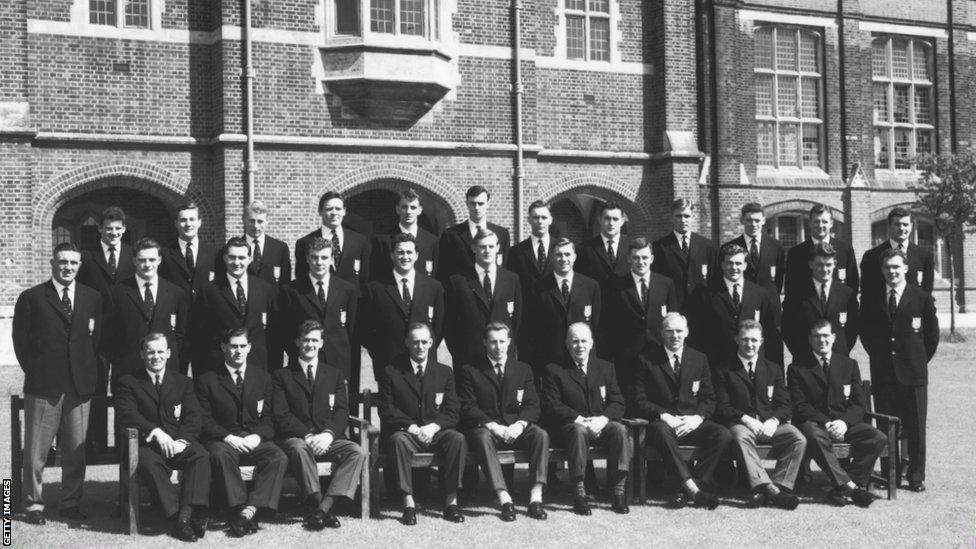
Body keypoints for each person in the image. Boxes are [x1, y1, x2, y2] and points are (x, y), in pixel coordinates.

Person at [12, 243, 102, 524]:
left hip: (79, 386)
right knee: (36, 450)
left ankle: (70, 502)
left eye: (74, 263)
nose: (68, 267)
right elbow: (21, 343)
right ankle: (33, 504)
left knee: (76, 449)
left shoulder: (92, 297)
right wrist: (39, 371)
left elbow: (94, 341)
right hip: (43, 385)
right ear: (52, 263)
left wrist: (81, 370)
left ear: (79, 266)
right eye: (63, 262)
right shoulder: (32, 297)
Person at [116, 333, 211, 541]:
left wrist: (182, 441)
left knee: (201, 456)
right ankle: (177, 517)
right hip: (147, 445)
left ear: (168, 353)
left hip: (177, 443)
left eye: (160, 351)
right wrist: (156, 432)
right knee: (149, 465)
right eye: (150, 352)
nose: (156, 356)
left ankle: (184, 517)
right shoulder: (129, 382)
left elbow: (194, 416)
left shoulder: (183, 382)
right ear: (142, 354)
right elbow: (127, 414)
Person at [272, 320, 367, 530]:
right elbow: (282, 414)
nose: (310, 345)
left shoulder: (334, 374)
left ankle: (323, 508)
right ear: (297, 342)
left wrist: (329, 434)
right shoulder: (282, 375)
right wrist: (307, 436)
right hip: (298, 439)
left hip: (327, 438)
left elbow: (342, 411)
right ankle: (320, 506)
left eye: (315, 340)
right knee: (298, 448)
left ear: (322, 343)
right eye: (306, 340)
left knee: (357, 452)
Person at [630, 313, 729, 510]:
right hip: (663, 424)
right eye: (669, 331)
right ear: (661, 333)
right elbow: (638, 400)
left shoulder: (699, 358)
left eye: (679, 331)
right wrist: (663, 415)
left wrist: (697, 418)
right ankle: (693, 490)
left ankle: (688, 488)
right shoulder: (646, 360)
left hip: (692, 422)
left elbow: (709, 398)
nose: (675, 335)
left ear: (687, 332)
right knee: (662, 431)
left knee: (723, 435)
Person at [859, 248, 939, 492]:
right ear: (882, 270)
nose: (892, 271)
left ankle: (916, 476)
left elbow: (932, 337)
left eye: (896, 267)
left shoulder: (922, 297)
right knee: (886, 426)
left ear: (906, 269)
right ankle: (890, 474)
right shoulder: (872, 299)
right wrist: (881, 358)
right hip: (884, 373)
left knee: (915, 426)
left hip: (913, 374)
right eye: (887, 267)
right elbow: (866, 333)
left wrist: (916, 361)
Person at [195, 329, 287, 537]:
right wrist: (228, 437)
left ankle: (248, 511)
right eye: (233, 346)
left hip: (254, 439)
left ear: (250, 348)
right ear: (224, 347)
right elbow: (204, 420)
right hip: (223, 439)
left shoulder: (263, 378)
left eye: (242, 346)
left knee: (278, 457)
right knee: (219, 454)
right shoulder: (207, 380)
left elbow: (270, 419)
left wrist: (258, 436)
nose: (238, 351)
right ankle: (237, 508)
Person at [457, 322, 550, 521]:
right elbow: (468, 407)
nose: (498, 347)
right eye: (493, 342)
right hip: (488, 429)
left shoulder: (523, 369)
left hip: (517, 428)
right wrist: (493, 426)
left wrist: (520, 424)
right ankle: (504, 498)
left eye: (502, 341)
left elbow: (533, 404)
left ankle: (536, 497)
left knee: (540, 435)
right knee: (482, 438)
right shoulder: (470, 370)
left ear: (509, 342)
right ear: (485, 343)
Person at [788, 321, 886, 507]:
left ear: (833, 338)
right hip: (814, 423)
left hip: (844, 423)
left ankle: (841, 487)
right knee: (815, 436)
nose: (821, 340)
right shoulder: (797, 368)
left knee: (878, 438)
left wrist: (844, 423)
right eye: (816, 336)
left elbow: (859, 403)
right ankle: (851, 487)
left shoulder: (849, 364)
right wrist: (826, 422)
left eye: (825, 335)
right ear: (810, 340)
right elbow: (800, 406)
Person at [379, 322, 467, 525]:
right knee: (398, 441)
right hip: (408, 433)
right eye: (415, 342)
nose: (420, 346)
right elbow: (387, 410)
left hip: (435, 432)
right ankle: (408, 503)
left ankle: (451, 502)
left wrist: (434, 426)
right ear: (407, 343)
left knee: (458, 439)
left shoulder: (444, 372)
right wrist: (413, 428)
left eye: (424, 342)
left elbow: (453, 410)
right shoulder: (392, 371)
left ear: (431, 343)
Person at [542, 322, 632, 516]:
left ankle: (618, 493)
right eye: (575, 341)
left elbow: (618, 402)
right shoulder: (554, 370)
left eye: (584, 341)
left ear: (591, 343)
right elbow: (552, 404)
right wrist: (579, 418)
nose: (579, 346)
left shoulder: (606, 368)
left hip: (600, 425)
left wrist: (604, 419)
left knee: (620, 430)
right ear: (567, 344)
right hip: (570, 428)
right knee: (578, 430)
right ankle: (579, 494)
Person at [714, 320, 803, 510]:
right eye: (745, 339)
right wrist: (746, 419)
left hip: (770, 424)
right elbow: (722, 406)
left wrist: (774, 420)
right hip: (740, 423)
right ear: (736, 339)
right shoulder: (724, 369)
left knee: (798, 439)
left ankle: (778, 486)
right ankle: (772, 491)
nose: (749, 344)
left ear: (761, 341)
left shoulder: (773, 368)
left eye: (754, 340)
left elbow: (785, 404)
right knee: (740, 437)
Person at [359, 233, 444, 384]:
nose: (405, 256)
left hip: (423, 360)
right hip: (388, 363)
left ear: (417, 255)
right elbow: (365, 328)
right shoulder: (375, 289)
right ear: (392, 255)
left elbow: (439, 325)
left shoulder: (433, 287)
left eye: (409, 252)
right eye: (400, 252)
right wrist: (380, 353)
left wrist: (422, 348)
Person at [104, 238, 190, 388]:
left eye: (152, 259)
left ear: (159, 260)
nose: (147, 264)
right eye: (142, 260)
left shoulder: (176, 293)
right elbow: (109, 334)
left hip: (166, 371)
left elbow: (181, 334)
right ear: (134, 261)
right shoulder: (117, 292)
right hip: (128, 372)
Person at [278, 237, 358, 388]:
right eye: (314, 257)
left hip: (338, 361)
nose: (319, 262)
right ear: (307, 259)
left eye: (324, 257)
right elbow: (285, 331)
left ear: (332, 259)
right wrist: (300, 353)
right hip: (303, 361)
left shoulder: (347, 290)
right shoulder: (291, 291)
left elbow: (352, 331)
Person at [686, 243, 782, 369]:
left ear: (745, 265)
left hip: (751, 364)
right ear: (722, 265)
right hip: (717, 364)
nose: (734, 267)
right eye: (729, 263)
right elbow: (697, 333)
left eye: (738, 263)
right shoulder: (706, 294)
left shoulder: (760, 294)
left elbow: (770, 333)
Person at [190, 237, 276, 372]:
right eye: (232, 257)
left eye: (241, 258)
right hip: (219, 367)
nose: (237, 262)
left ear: (250, 259)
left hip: (257, 366)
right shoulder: (209, 290)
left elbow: (272, 333)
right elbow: (199, 334)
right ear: (225, 258)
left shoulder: (265, 289)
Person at [520, 238, 601, 379]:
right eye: (559, 255)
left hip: (581, 360)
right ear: (552, 257)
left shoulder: (591, 286)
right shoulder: (538, 289)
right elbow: (531, 329)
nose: (563, 259)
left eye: (568, 254)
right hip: (550, 362)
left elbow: (596, 325)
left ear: (575, 257)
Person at [444, 228, 523, 367]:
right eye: (482, 247)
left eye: (491, 246)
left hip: (502, 357)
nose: (487, 250)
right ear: (474, 248)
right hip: (468, 360)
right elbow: (449, 324)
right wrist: (459, 354)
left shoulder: (512, 279)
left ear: (498, 248)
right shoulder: (458, 281)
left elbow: (516, 319)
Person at [601, 237, 678, 378]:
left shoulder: (666, 284)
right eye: (636, 257)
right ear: (629, 259)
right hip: (627, 356)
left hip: (658, 353)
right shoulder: (616, 286)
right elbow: (609, 324)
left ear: (652, 259)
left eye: (644, 257)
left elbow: (673, 319)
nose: (640, 262)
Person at [159, 200, 219, 374]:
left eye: (192, 219)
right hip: (176, 328)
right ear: (176, 223)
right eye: (183, 220)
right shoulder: (165, 254)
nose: (188, 224)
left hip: (205, 328)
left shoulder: (214, 254)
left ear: (199, 222)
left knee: (206, 381)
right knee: (176, 379)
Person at [782, 242, 859, 357]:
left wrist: (843, 352)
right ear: (811, 264)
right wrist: (799, 354)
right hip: (806, 362)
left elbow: (853, 328)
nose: (824, 269)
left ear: (835, 264)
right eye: (819, 264)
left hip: (839, 360)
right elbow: (788, 327)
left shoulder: (847, 294)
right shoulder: (797, 295)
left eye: (828, 265)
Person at [784, 203, 858, 303]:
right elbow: (791, 291)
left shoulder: (845, 250)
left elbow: (852, 285)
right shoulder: (796, 253)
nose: (820, 225)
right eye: (816, 221)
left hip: (838, 312)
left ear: (831, 223)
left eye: (824, 221)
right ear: (810, 223)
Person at [652, 198, 719, 308]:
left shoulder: (708, 246)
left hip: (701, 309)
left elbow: (714, 280)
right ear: (671, 218)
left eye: (687, 216)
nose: (683, 220)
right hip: (673, 309)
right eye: (678, 216)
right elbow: (656, 282)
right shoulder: (659, 247)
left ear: (693, 217)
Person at [437, 185, 511, 283]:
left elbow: (505, 267)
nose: (476, 208)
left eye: (480, 203)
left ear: (488, 203)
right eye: (473, 203)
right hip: (462, 294)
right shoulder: (451, 235)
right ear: (467, 203)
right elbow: (443, 271)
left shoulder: (501, 234)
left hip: (492, 291)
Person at [294, 191, 371, 285]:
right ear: (320, 211)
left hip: (353, 299)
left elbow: (365, 279)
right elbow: (302, 278)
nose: (334, 212)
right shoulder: (305, 243)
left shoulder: (360, 241)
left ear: (344, 211)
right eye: (329, 209)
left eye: (338, 209)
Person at [860, 207, 935, 298]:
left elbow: (927, 293)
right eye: (897, 224)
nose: (901, 228)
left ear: (911, 226)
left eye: (905, 224)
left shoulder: (925, 256)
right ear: (889, 226)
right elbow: (867, 292)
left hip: (913, 311)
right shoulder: (871, 256)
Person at [369, 188, 439, 280]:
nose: (408, 212)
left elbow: (437, 275)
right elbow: (375, 274)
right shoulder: (383, 240)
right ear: (398, 209)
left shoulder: (432, 241)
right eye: (404, 207)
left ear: (420, 210)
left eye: (413, 207)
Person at [722, 202, 786, 297]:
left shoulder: (776, 246)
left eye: (757, 220)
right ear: (742, 220)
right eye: (749, 220)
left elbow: (779, 278)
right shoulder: (730, 246)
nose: (753, 224)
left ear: (763, 220)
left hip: (769, 304)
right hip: (743, 303)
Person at [77, 206, 135, 296]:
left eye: (118, 228)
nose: (114, 233)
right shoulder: (86, 256)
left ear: (124, 229)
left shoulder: (133, 254)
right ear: (100, 228)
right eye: (109, 228)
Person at [574, 201, 631, 291]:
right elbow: (579, 282)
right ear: (600, 220)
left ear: (622, 221)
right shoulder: (584, 249)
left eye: (615, 219)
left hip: (627, 303)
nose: (611, 223)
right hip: (597, 302)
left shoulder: (632, 247)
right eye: (607, 218)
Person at [507, 200, 555, 298]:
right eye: (536, 217)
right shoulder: (515, 252)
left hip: (556, 310)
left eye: (544, 217)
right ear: (529, 220)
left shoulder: (561, 249)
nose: (540, 221)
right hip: (528, 310)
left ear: (550, 220)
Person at [243, 200, 292, 288]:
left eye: (260, 221)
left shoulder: (280, 249)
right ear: (244, 220)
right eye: (251, 221)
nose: (255, 226)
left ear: (267, 222)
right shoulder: (233, 248)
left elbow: (285, 285)